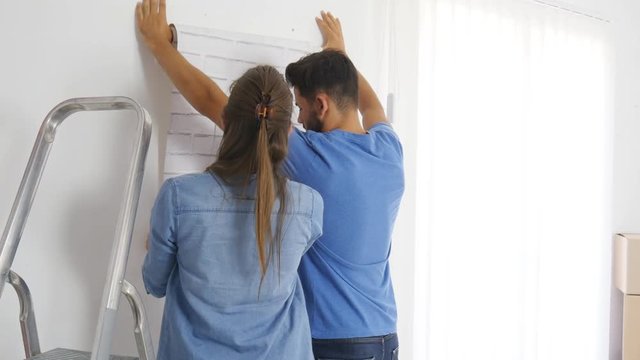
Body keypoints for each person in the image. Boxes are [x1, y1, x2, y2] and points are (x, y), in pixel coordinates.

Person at [136, 1, 323, 359]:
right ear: (287, 131)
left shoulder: (178, 198)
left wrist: (163, 244)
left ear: (228, 121)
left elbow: (154, 284)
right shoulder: (309, 206)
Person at [283, 12, 405, 360]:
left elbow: (224, 111)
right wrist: (341, 55)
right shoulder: (389, 150)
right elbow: (371, 106)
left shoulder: (314, 158)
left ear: (320, 104)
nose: (300, 120)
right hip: (384, 338)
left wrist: (160, 47)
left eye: (301, 108)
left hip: (337, 344)